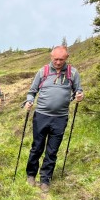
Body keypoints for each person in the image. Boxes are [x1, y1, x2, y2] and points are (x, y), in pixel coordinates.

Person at [24, 46, 84, 192]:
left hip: (60, 118)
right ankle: (31, 174)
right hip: (41, 115)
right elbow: (32, 91)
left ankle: (45, 179)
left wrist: (80, 95)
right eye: (55, 59)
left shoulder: (73, 73)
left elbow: (78, 90)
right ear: (51, 57)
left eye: (61, 59)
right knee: (37, 147)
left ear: (67, 57)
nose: (58, 62)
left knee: (52, 150)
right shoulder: (43, 71)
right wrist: (29, 101)